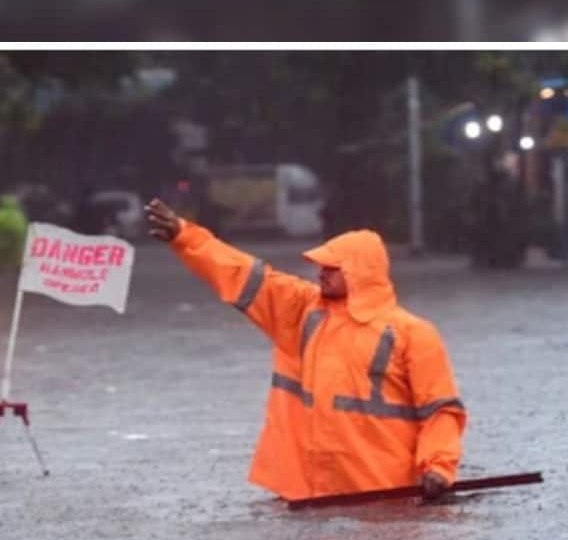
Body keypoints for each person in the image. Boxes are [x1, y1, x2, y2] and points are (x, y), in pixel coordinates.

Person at [145, 198, 467, 502]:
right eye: (321, 266)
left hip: (383, 496)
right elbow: (242, 273)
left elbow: (440, 410)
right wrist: (186, 238)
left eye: (331, 268)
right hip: (310, 495)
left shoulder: (414, 334)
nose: (321, 273)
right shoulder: (303, 310)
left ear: (359, 272)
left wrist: (438, 468)